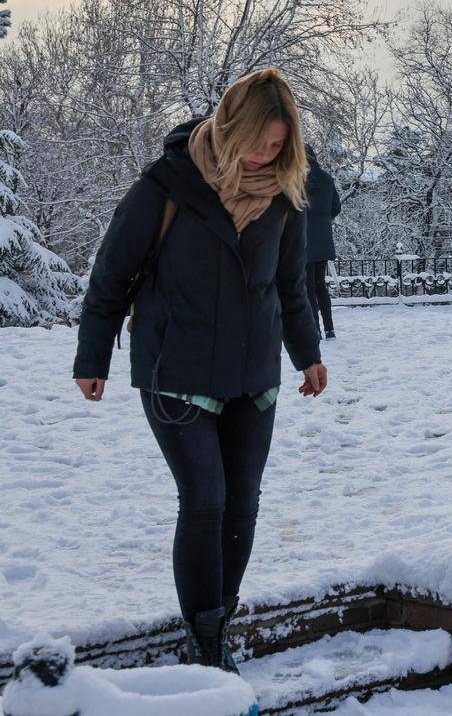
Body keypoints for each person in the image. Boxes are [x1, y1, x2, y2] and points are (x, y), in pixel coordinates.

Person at [72, 68, 327, 672]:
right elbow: (113, 273)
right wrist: (93, 355)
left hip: (252, 374)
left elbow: (291, 286)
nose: (268, 155)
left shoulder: (286, 196)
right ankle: (205, 642)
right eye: (260, 143)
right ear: (231, 128)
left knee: (243, 503)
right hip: (176, 369)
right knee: (205, 497)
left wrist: (308, 354)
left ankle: (221, 621)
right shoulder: (166, 186)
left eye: (278, 145)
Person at [303, 146, 341, 340]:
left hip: (304, 239)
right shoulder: (326, 178)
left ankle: (314, 329)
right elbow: (336, 206)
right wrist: (324, 220)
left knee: (308, 285)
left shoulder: (298, 180)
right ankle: (329, 328)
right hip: (324, 238)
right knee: (320, 284)